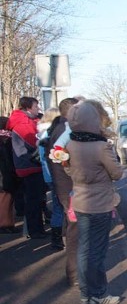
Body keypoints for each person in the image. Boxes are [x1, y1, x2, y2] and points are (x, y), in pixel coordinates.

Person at [67, 100, 123, 304]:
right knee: (97, 252)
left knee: (83, 250)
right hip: (99, 205)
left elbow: (67, 170)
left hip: (80, 203)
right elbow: (117, 173)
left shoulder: (70, 145)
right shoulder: (101, 147)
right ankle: (99, 294)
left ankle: (85, 294)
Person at [46, 97, 81, 285]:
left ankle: (75, 272)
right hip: (71, 188)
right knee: (75, 230)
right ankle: (75, 274)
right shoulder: (65, 131)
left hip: (66, 187)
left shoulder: (59, 129)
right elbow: (66, 162)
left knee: (73, 229)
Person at [6, 96, 48, 239]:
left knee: (36, 199)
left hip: (29, 164)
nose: (38, 109)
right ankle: (35, 230)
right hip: (29, 165)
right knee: (33, 200)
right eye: (36, 107)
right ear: (28, 108)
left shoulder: (27, 121)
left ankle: (37, 229)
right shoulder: (22, 123)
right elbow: (34, 142)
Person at [37, 107, 65, 250]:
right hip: (56, 176)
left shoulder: (42, 134)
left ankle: (57, 239)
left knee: (57, 207)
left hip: (49, 176)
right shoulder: (53, 134)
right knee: (61, 207)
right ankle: (58, 239)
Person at [0, 116, 19, 233]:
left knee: (7, 200)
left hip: (5, 174)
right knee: (5, 200)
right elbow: (6, 160)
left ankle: (8, 223)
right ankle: (5, 224)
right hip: (4, 175)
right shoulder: (5, 139)